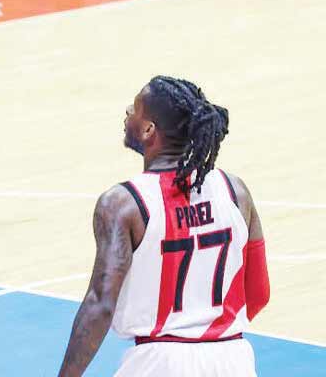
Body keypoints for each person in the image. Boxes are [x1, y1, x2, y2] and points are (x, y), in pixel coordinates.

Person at [56, 76, 269, 376]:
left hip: (159, 362)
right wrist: (207, 331)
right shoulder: (236, 192)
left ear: (148, 130)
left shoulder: (123, 203)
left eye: (136, 108)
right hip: (234, 359)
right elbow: (258, 293)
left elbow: (100, 305)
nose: (128, 111)